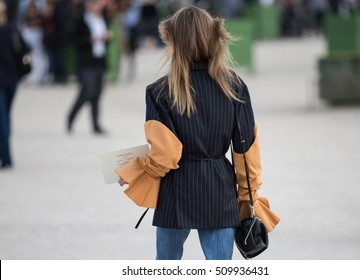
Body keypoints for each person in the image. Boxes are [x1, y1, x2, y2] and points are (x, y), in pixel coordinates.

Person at [115, 6, 279, 260]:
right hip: (219, 190)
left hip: (175, 191)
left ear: (174, 42)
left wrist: (135, 169)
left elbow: (165, 155)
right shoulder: (234, 87)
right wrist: (249, 198)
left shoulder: (159, 92)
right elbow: (246, 154)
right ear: (213, 37)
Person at [67, 0, 110, 134]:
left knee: (97, 94)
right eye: (96, 4)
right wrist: (89, 40)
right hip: (86, 61)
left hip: (99, 60)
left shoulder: (103, 18)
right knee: (87, 92)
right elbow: (73, 39)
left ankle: (96, 125)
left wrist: (106, 38)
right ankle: (71, 118)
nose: (99, 7)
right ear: (89, 5)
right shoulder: (80, 19)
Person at [0, 0, 28, 169]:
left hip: (7, 80)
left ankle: (6, 157)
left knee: (3, 119)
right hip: (12, 79)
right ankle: (6, 155)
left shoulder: (11, 29)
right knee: (5, 117)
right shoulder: (12, 29)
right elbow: (25, 48)